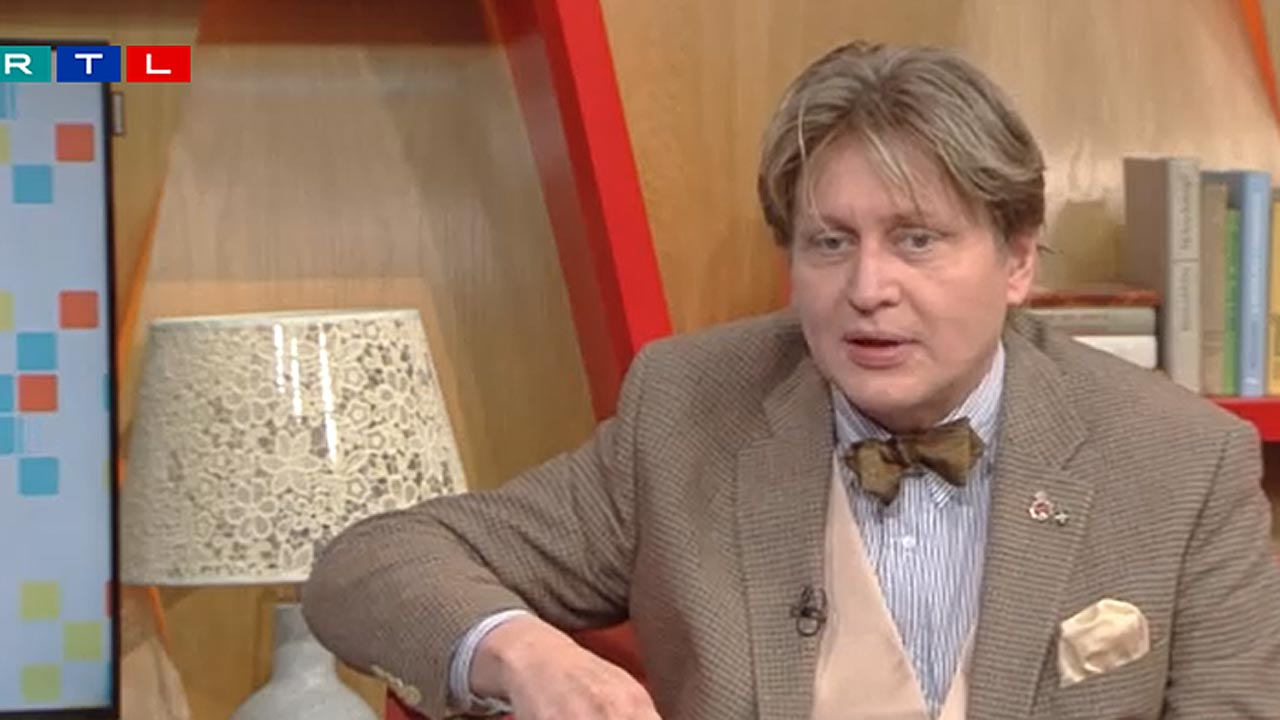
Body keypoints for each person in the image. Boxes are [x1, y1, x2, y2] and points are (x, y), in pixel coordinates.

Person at [301, 41, 1280, 719]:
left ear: (1017, 259)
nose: (867, 289)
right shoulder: (688, 411)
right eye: (829, 242)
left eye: (915, 240)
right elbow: (371, 566)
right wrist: (521, 651)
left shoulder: (1180, 462)